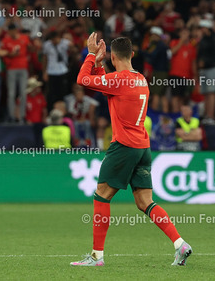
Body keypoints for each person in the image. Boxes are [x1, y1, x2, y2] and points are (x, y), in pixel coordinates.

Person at [71, 32, 192, 267]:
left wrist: (91, 55)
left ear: (113, 57)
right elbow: (108, 89)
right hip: (143, 148)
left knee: (101, 196)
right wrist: (100, 65)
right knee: (145, 202)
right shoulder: (140, 79)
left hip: (123, 146)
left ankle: (96, 257)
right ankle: (180, 244)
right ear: (132, 54)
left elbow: (83, 80)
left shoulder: (119, 80)